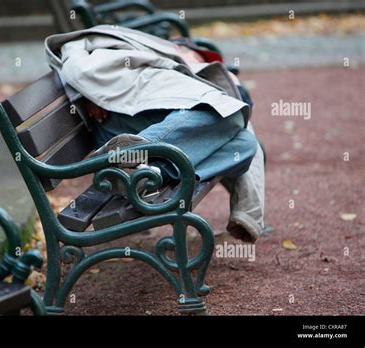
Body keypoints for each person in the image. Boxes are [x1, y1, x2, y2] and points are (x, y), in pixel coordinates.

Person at [45, 25, 265, 243]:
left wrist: (248, 214)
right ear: (181, 47)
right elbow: (69, 50)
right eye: (197, 54)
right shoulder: (139, 49)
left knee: (245, 142)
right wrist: (83, 93)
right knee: (231, 115)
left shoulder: (173, 70)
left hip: (147, 127)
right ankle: (128, 154)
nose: (199, 61)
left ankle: (153, 173)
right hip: (118, 122)